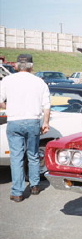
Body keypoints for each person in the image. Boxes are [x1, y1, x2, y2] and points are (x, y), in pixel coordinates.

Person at [0, 54, 50, 202]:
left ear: (16, 65)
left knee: (16, 157)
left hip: (14, 121)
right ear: (31, 66)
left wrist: (8, 107)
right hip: (33, 121)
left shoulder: (7, 80)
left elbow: (0, 101)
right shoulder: (39, 82)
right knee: (33, 154)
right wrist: (45, 122)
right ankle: (34, 185)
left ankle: (17, 192)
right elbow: (46, 105)